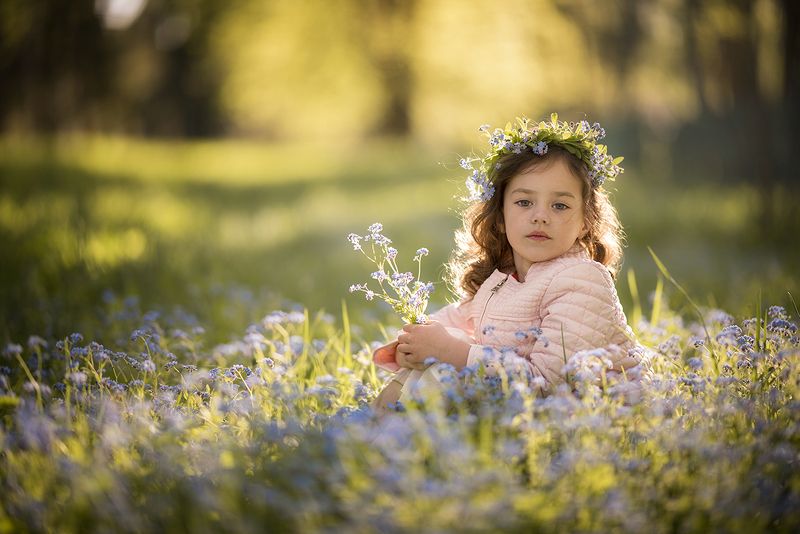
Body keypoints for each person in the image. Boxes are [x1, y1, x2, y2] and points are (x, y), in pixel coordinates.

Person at [370, 114, 642, 415]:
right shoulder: (501, 281)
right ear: (500, 217)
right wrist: (412, 350)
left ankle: (396, 442)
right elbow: (446, 324)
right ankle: (377, 437)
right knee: (424, 371)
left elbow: (547, 384)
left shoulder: (582, 280)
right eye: (524, 202)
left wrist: (450, 352)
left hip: (591, 420)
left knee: (444, 367)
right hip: (522, 412)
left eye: (560, 205)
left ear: (584, 223)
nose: (540, 216)